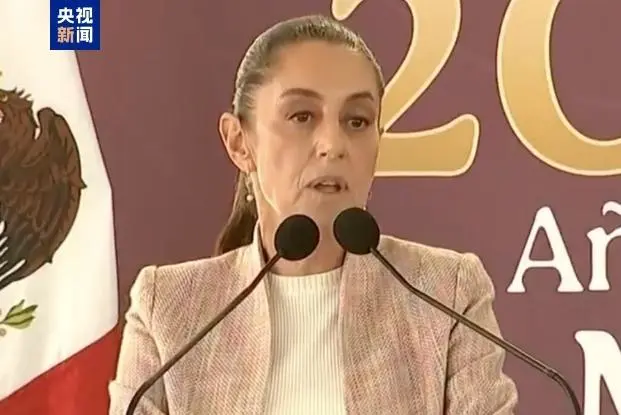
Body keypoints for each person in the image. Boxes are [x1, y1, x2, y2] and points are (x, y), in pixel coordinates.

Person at [109, 14, 518, 415]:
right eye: (302, 117)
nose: (333, 145)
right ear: (239, 142)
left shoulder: (447, 294)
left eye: (357, 121)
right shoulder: (169, 308)